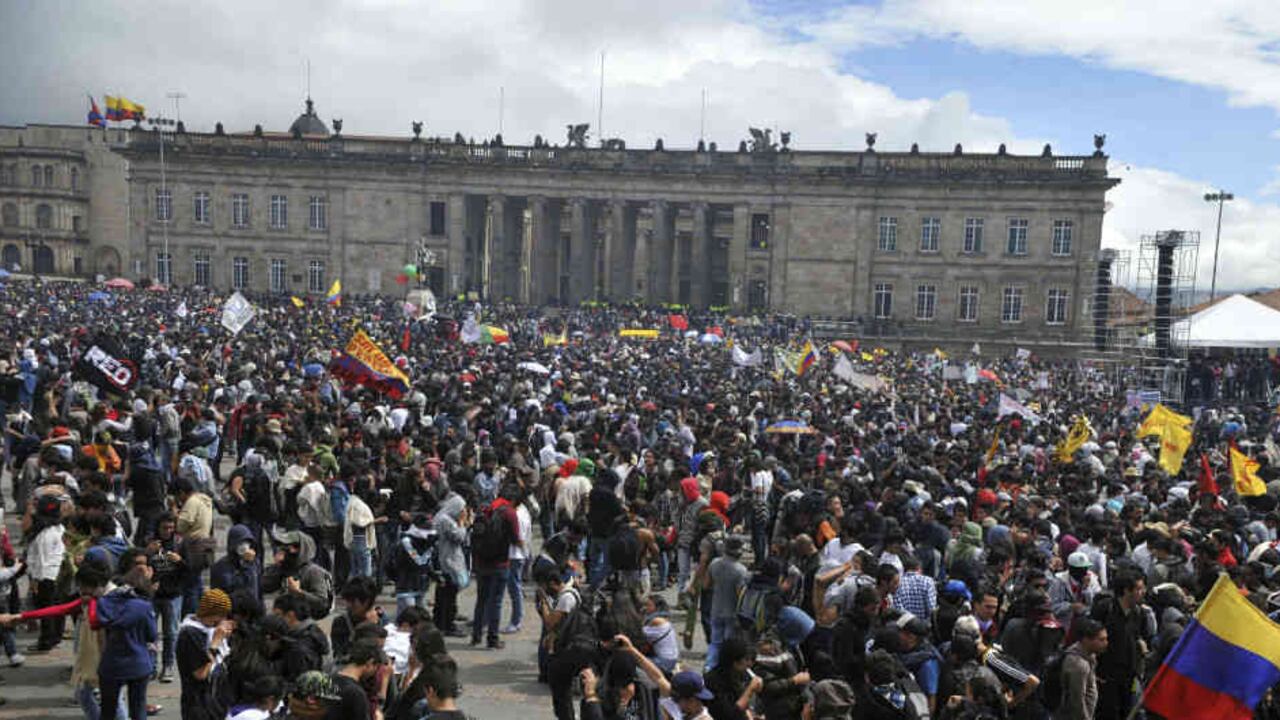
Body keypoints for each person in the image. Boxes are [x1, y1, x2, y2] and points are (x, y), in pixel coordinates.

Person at [94, 565, 160, 720]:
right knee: (138, 708)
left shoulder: (105, 602)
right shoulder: (143, 607)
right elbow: (151, 635)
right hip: (138, 661)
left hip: (111, 662)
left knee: (108, 709)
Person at [471, 484, 520, 650]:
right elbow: (516, 539)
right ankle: (492, 638)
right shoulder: (509, 512)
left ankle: (476, 636)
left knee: (481, 600)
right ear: (513, 499)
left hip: (481, 562)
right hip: (500, 563)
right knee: (496, 602)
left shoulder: (487, 509)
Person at [176, 588, 234, 720]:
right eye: (221, 615)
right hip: (199, 703)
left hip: (214, 699)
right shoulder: (191, 634)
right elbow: (200, 674)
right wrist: (216, 643)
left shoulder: (208, 629)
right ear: (212, 613)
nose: (222, 620)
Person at [262, 528, 332, 622]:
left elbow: (323, 603)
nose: (284, 551)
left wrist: (299, 592)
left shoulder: (313, 571)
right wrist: (277, 567)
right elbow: (264, 586)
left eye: (288, 548)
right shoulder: (285, 569)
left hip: (307, 622)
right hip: (285, 620)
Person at [1061, 619, 1108, 720]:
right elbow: (1077, 702)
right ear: (1086, 640)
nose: (1106, 643)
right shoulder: (1078, 665)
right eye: (1101, 640)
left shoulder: (1090, 656)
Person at [330, 638, 385, 720]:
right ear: (369, 663)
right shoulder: (357, 694)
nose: (375, 672)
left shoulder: (328, 680)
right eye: (376, 667)